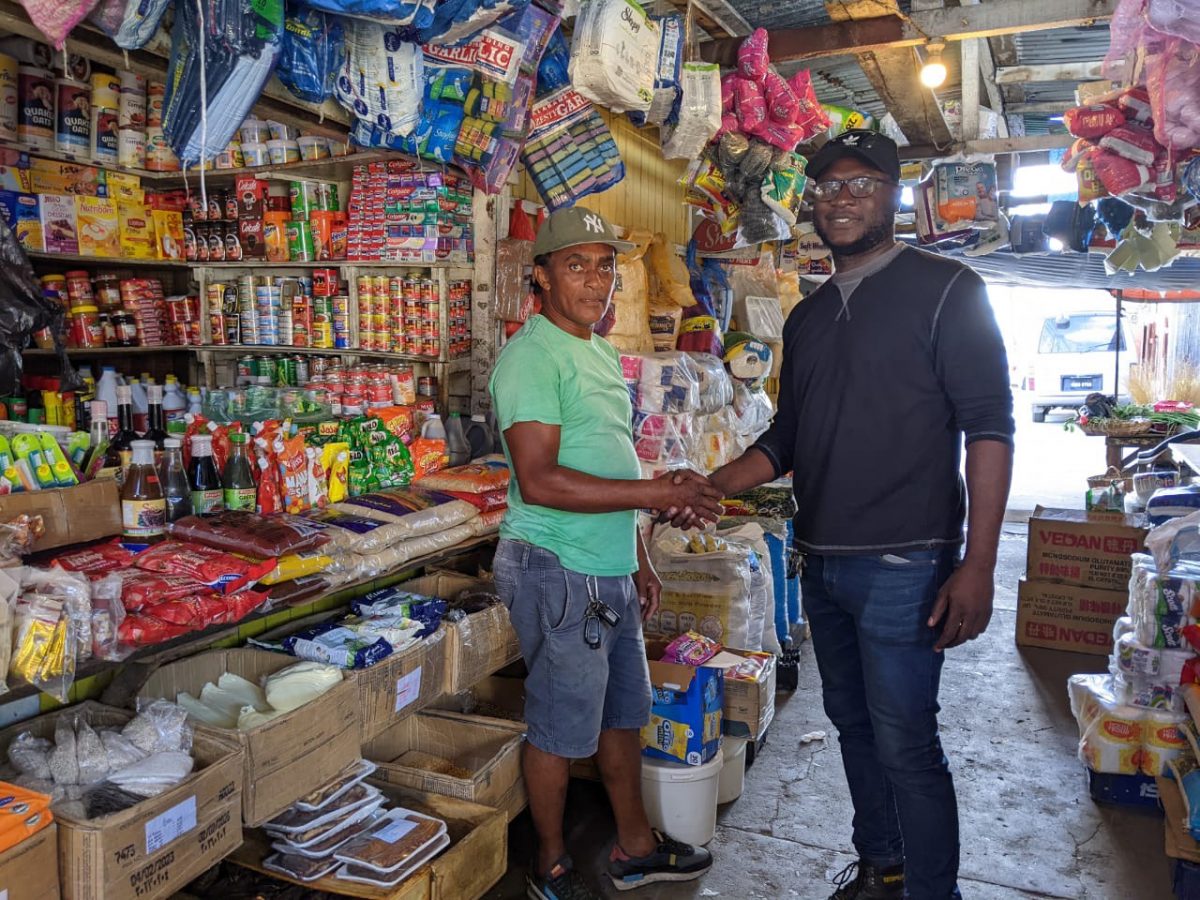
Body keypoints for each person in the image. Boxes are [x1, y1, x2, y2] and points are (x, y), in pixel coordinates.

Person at [708, 130, 1014, 900]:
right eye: (827, 187)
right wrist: (709, 485)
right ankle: (883, 865)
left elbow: (989, 429)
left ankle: (930, 891)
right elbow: (786, 440)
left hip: (909, 562)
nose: (840, 198)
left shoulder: (949, 289)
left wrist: (977, 565)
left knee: (907, 741)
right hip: (824, 561)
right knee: (852, 725)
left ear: (894, 195)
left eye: (859, 183)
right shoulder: (806, 318)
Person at [489, 205, 720, 900]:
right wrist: (652, 497)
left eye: (605, 266)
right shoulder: (531, 356)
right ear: (542, 276)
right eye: (576, 265)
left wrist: (639, 554)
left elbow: (609, 459)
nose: (596, 281)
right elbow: (542, 479)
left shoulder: (594, 349)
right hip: (557, 569)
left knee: (623, 714)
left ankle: (634, 846)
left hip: (607, 567)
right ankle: (551, 864)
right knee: (560, 731)